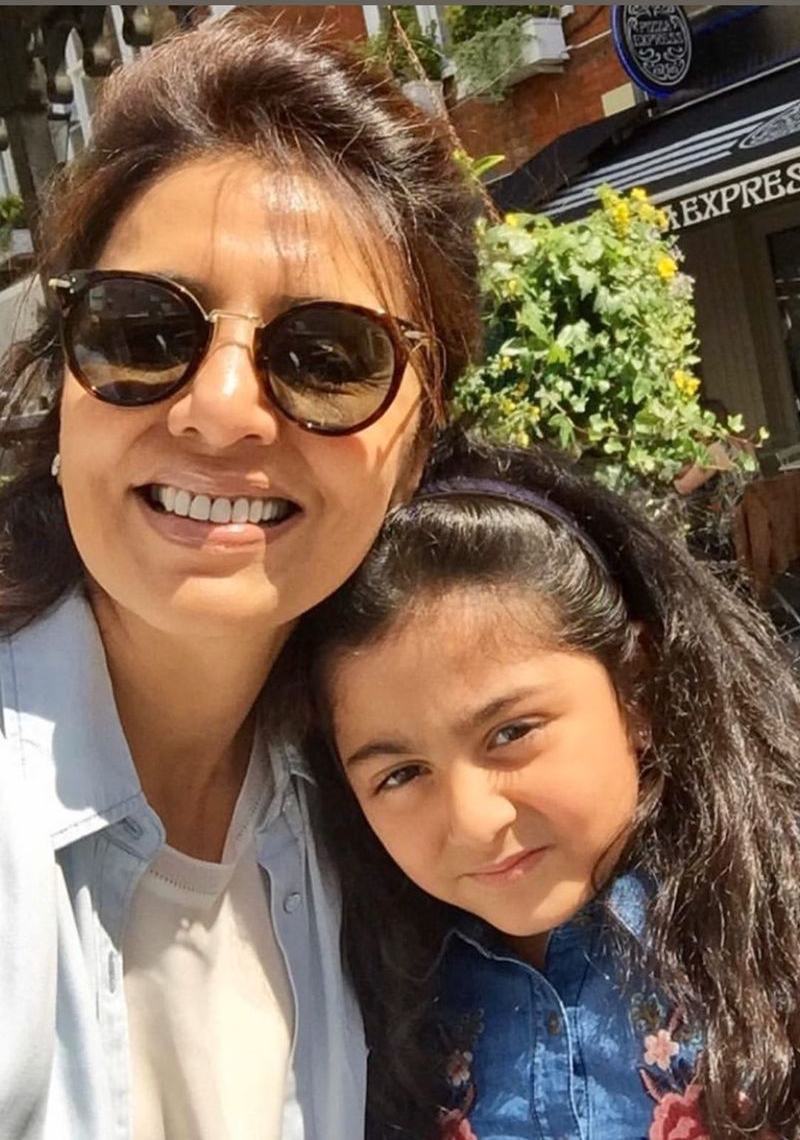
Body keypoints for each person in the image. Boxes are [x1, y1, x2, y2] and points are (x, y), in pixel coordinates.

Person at [0, 11, 483, 1139]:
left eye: (326, 356)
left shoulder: (397, 807)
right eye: (142, 330)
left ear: (417, 450)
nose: (219, 410)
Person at [284, 432, 800, 1140]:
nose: (474, 821)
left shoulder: (776, 931)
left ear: (637, 687)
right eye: (400, 775)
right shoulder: (368, 1004)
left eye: (511, 733)